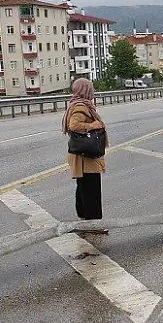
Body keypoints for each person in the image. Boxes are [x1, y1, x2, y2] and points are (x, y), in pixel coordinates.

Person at [62, 78, 109, 234]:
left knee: (83, 187)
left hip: (80, 154)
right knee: (92, 189)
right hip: (85, 156)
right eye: (91, 88)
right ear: (85, 91)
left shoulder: (78, 104)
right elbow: (74, 126)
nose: (93, 91)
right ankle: (93, 225)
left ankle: (83, 217)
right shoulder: (81, 106)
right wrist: (93, 125)